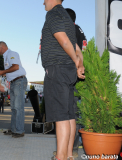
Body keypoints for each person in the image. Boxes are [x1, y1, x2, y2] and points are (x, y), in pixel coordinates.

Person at [40, 0, 85, 160]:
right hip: (67, 72)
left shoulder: (53, 13)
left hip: (57, 70)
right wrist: (79, 64)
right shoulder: (66, 15)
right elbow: (76, 46)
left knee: (60, 117)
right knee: (69, 115)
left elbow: (65, 41)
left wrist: (75, 60)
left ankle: (60, 157)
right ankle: (67, 155)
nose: (43, 2)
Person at [0, 41, 27, 138]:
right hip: (13, 83)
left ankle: (20, 131)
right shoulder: (6, 57)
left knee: (18, 108)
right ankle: (14, 129)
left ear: (2, 47)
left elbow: (16, 67)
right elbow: (9, 71)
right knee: (14, 108)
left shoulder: (11, 53)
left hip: (19, 82)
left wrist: (2, 72)